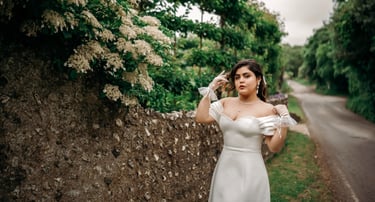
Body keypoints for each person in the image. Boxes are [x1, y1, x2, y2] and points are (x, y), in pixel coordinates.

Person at [195, 59, 296, 202]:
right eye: (237, 77)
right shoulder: (226, 103)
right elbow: (201, 117)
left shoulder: (267, 110)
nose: (241, 81)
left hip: (250, 170)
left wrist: (284, 119)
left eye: (246, 76)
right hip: (225, 168)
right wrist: (211, 89)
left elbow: (274, 147)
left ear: (258, 79)